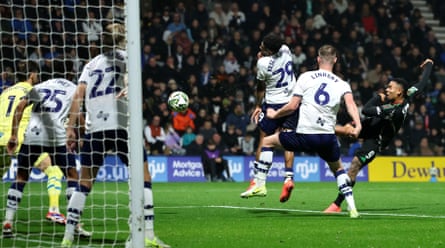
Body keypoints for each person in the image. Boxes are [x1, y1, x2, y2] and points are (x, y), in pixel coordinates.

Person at [61, 23, 169, 247]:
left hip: (95, 129)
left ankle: (68, 237)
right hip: (121, 125)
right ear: (123, 38)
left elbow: (77, 97)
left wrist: (71, 128)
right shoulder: (128, 57)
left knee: (85, 182)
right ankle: (147, 234)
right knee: (143, 176)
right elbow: (130, 85)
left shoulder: (90, 65)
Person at [242, 45, 362, 218]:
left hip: (305, 136)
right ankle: (352, 208)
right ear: (335, 60)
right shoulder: (342, 84)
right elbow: (351, 105)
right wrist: (357, 125)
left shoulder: (306, 77)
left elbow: (292, 106)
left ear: (318, 59)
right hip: (328, 137)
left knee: (268, 142)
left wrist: (275, 113)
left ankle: (260, 183)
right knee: (339, 170)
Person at [324, 58, 434, 213]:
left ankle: (337, 204)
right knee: (345, 129)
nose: (387, 89)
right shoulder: (408, 94)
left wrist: (377, 97)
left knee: (355, 165)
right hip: (372, 126)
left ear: (398, 92)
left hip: (377, 139)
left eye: (390, 88)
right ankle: (316, 130)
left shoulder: (392, 109)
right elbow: (421, 83)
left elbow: (366, 110)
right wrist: (429, 64)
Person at [2, 60, 91, 237]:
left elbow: (20, 107)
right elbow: (78, 115)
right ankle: (74, 225)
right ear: (71, 73)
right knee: (72, 176)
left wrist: (13, 135)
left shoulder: (40, 86)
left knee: (21, 177)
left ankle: (7, 223)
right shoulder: (74, 87)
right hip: (55, 136)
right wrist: (81, 135)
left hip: (32, 134)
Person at [240, 33, 298, 202]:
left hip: (273, 105)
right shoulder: (286, 50)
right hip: (292, 103)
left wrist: (258, 105)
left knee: (265, 139)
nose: (260, 48)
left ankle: (259, 182)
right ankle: (288, 178)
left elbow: (260, 87)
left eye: (263, 47)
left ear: (269, 50)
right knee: (288, 139)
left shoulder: (262, 63)